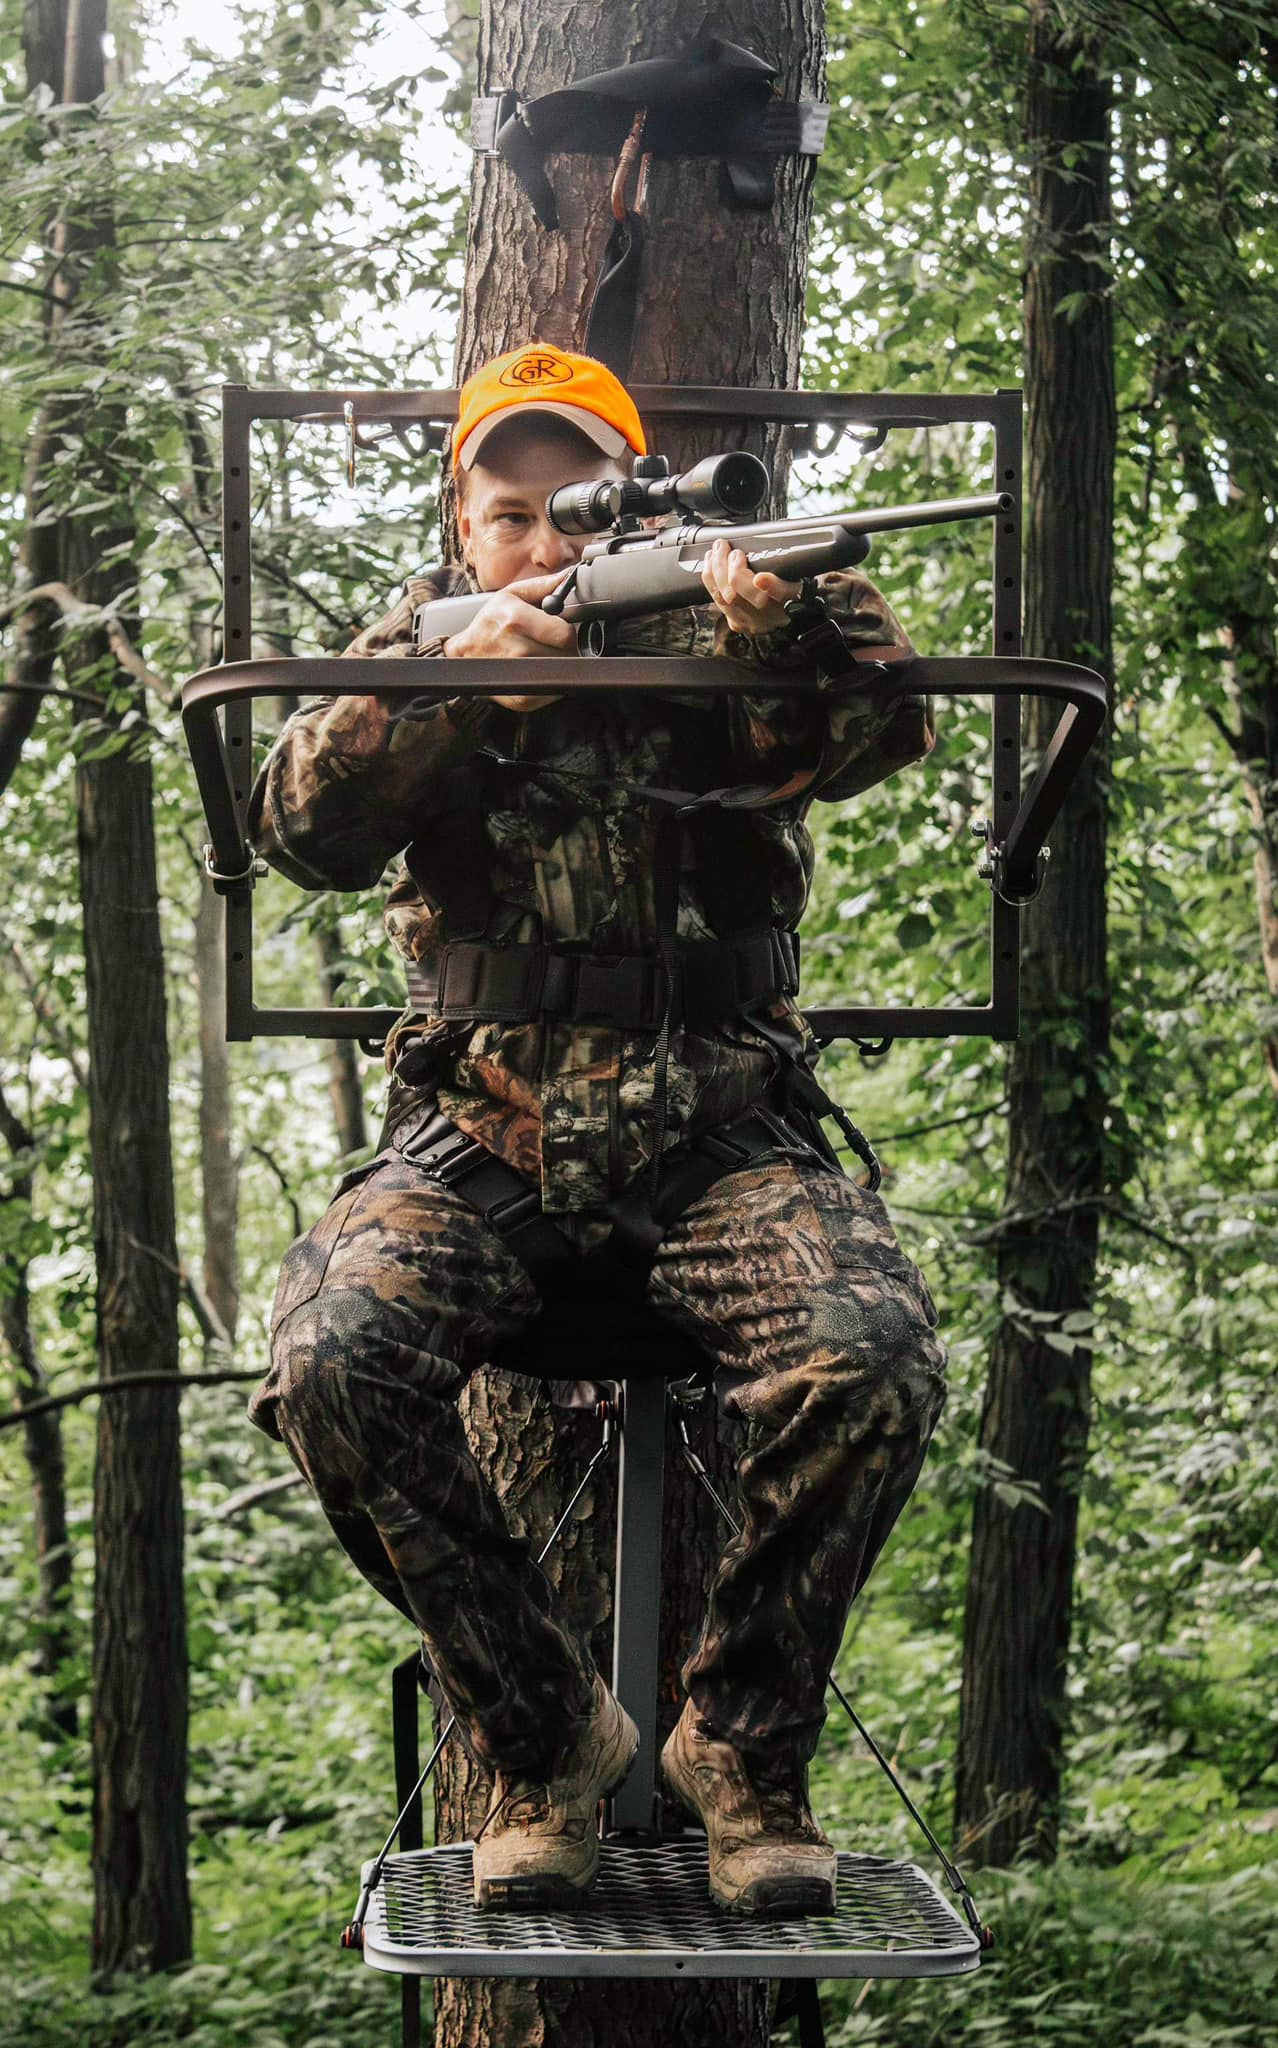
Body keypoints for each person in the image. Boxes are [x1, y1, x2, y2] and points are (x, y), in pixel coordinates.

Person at [246, 342, 947, 1916]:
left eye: (580, 509)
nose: (546, 543)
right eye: (510, 513)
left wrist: (791, 645)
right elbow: (297, 829)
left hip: (724, 1125)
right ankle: (544, 1735)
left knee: (874, 1355)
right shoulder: (414, 646)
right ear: (461, 531)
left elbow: (886, 738)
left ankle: (740, 1752)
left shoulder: (736, 614)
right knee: (328, 1361)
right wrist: (455, 699)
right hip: (478, 1138)